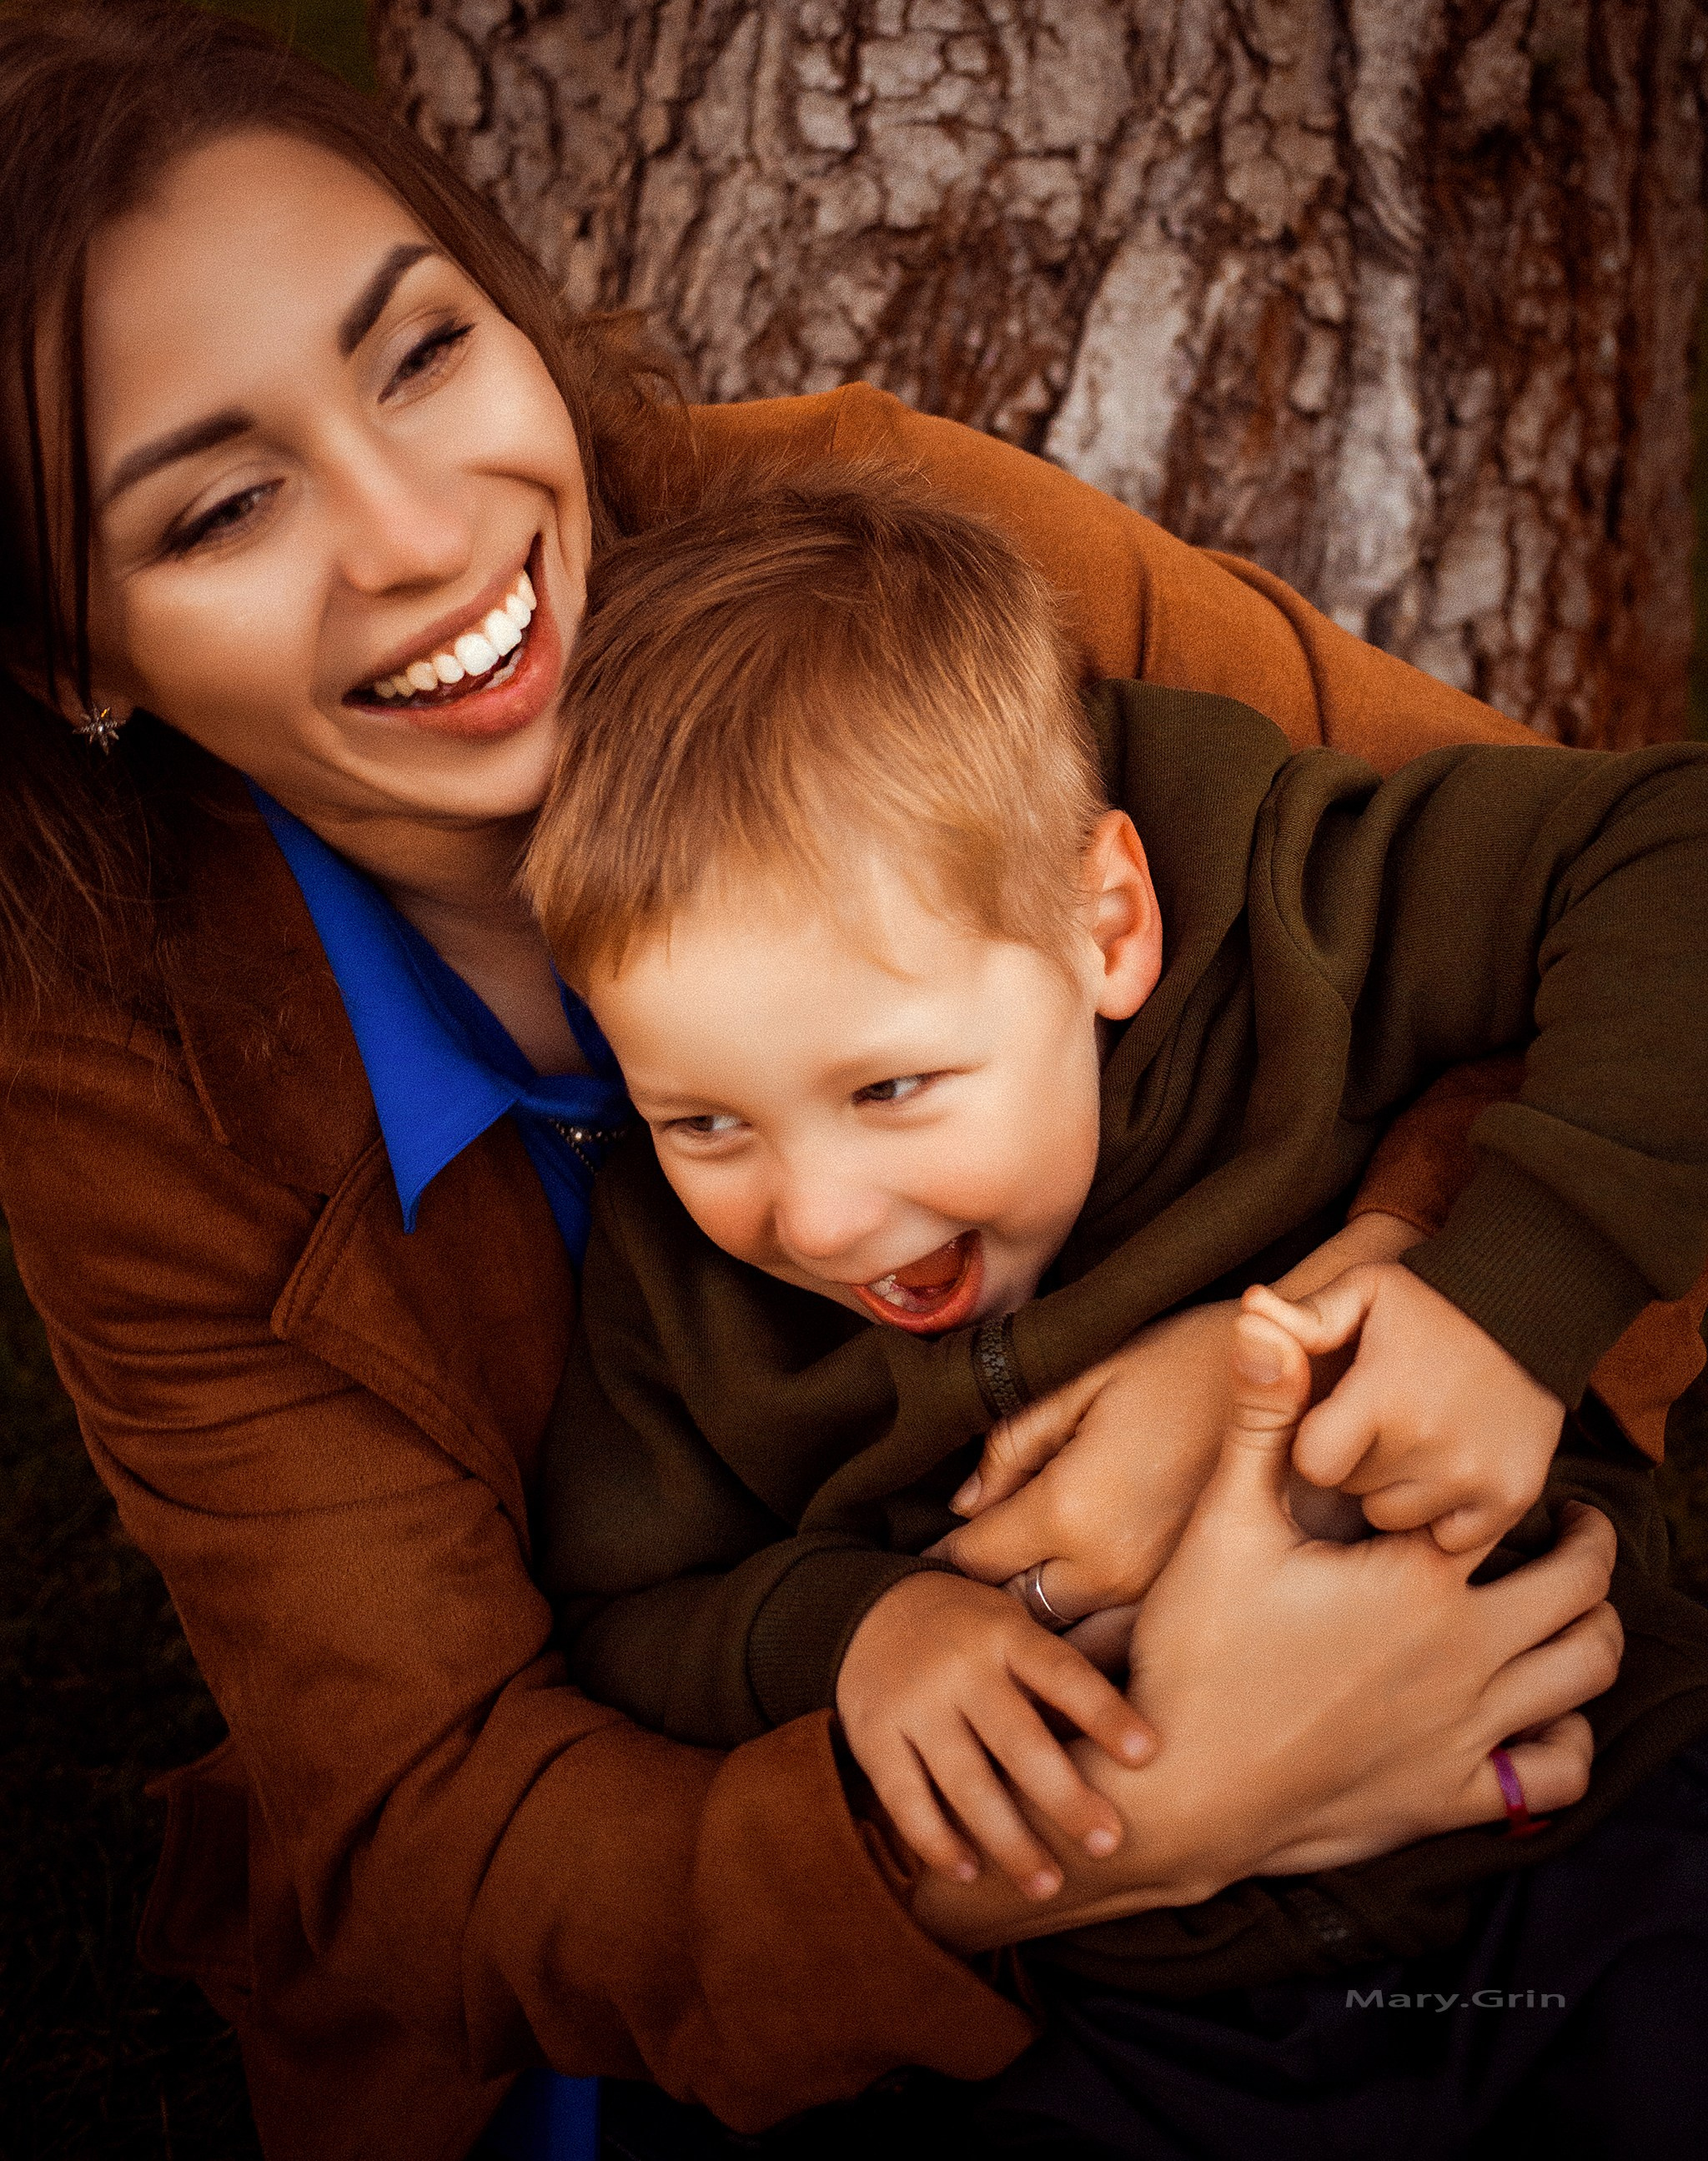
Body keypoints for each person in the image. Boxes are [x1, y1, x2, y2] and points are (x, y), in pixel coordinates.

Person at [0, 5, 1676, 2157]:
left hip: (1549, 1777)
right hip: (909, 1928)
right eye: (224, 504)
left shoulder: (886, 562)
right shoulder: (128, 1082)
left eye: (420, 351)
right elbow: (441, 1817)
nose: (415, 537)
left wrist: (1359, 1309)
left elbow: (1608, 907)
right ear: (70, 648)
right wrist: (1140, 1810)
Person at [523, 472, 1708, 2149]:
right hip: (1132, 2001)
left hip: (1571, 1824)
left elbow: (1670, 855)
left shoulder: (1293, 929)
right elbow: (624, 1598)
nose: (818, 1216)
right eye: (705, 1120)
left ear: (1107, 926)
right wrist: (860, 1633)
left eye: (892, 1087)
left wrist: (1509, 1297)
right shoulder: (677, 1287)